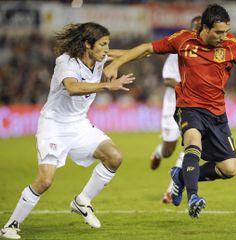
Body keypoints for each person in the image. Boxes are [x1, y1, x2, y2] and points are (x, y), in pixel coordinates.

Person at [104, 4, 236, 218]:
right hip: (189, 107)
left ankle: (181, 176)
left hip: (218, 114)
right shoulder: (183, 40)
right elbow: (146, 48)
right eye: (219, 32)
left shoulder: (231, 45)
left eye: (226, 31)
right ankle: (193, 198)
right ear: (205, 28)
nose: (224, 36)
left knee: (229, 169)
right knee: (193, 142)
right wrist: (116, 63)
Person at [0, 22, 135, 239]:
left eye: (108, 44)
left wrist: (161, 48)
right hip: (54, 125)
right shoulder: (67, 62)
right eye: (103, 44)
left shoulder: (101, 57)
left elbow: (133, 54)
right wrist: (107, 85)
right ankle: (11, 225)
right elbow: (72, 88)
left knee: (114, 156)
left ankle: (82, 201)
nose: (107, 49)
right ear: (88, 44)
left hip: (79, 124)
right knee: (45, 181)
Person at [150, 16, 202, 204]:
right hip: (174, 104)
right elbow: (167, 79)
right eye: (195, 28)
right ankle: (158, 151)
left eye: (201, 28)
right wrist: (188, 85)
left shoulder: (209, 52)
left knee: (191, 144)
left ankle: (171, 190)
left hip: (196, 106)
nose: (197, 32)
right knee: (168, 149)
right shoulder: (179, 50)